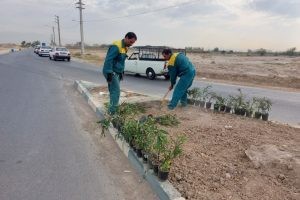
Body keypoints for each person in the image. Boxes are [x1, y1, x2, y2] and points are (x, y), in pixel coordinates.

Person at [102, 32, 137, 114]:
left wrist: (121, 72)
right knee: (116, 91)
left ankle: (111, 108)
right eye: (131, 42)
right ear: (126, 38)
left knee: (113, 91)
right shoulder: (116, 46)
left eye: (133, 43)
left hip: (117, 72)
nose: (131, 44)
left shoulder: (125, 47)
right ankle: (112, 113)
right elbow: (109, 60)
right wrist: (109, 73)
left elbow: (120, 61)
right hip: (111, 71)